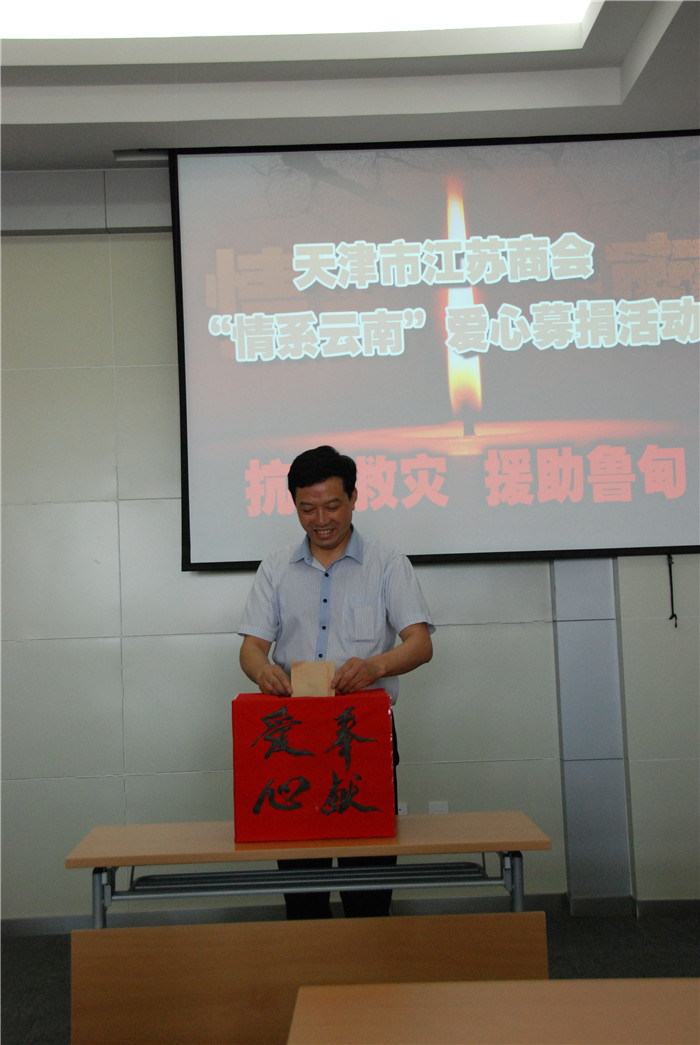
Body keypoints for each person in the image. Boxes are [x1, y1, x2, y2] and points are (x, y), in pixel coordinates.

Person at [238, 445, 434, 918]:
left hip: (363, 735)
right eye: (308, 508)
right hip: (294, 738)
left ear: (353, 499)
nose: (321, 520)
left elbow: (420, 643)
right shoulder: (276, 568)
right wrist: (263, 671)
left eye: (332, 506)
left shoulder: (388, 563)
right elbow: (251, 648)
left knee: (368, 882)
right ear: (294, 504)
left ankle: (371, 960)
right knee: (302, 888)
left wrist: (375, 667)